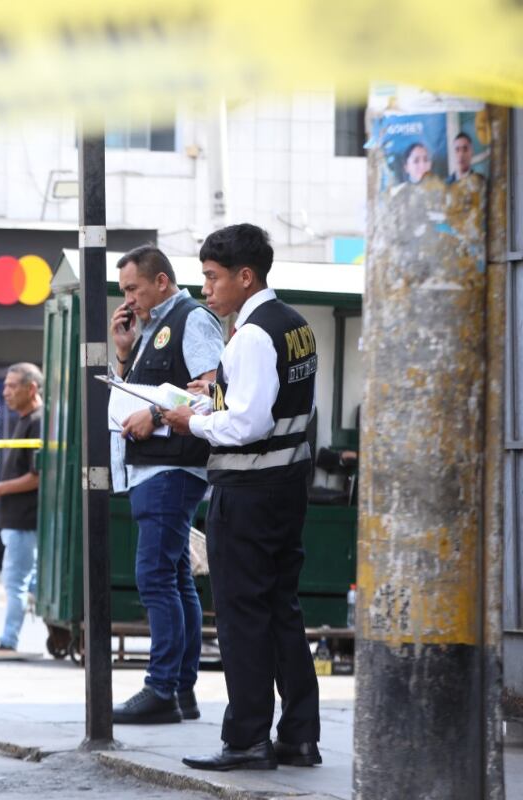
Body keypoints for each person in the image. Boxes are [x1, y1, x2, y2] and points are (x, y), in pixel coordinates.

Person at [162, 224, 322, 771]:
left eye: (213, 277)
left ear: (245, 276)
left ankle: (248, 738)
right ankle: (299, 735)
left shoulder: (252, 335)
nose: (206, 289)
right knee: (280, 610)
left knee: (242, 616)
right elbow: (279, 407)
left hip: (249, 490)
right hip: (286, 487)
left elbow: (250, 423)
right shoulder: (295, 325)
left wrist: (192, 421)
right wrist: (215, 398)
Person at [108, 245, 224, 725]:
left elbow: (214, 392)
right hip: (154, 468)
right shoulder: (151, 328)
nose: (128, 299)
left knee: (155, 576)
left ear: (161, 281)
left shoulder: (191, 319)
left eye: (133, 288)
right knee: (175, 578)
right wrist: (124, 354)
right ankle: (180, 689)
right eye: (124, 291)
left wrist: (155, 416)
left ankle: (161, 688)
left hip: (172, 468)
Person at [0, 363, 43, 652]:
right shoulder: (25, 420)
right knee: (30, 582)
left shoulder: (38, 421)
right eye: (5, 385)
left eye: (12, 386)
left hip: (25, 521)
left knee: (16, 582)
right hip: (16, 521)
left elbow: (37, 476)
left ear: (31, 389)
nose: (5, 392)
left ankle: (8, 641)